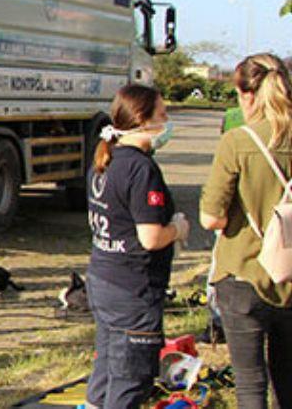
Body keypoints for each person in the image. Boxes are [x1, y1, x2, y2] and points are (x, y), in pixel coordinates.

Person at [85, 84, 189, 409]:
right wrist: (178, 228)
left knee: (106, 371)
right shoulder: (141, 168)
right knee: (131, 380)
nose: (167, 120)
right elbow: (150, 238)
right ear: (142, 119)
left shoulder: (106, 158)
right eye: (162, 114)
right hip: (133, 292)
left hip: (104, 281)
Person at [201, 54, 292, 409]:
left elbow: (211, 217)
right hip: (289, 277)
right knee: (287, 377)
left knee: (251, 383)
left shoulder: (238, 141)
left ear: (247, 95)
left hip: (243, 274)